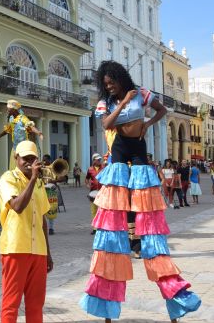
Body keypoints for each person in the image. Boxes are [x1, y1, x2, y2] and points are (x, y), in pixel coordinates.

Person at [81, 60, 200, 323]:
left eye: (111, 81)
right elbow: (107, 125)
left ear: (120, 77)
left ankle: (142, 243)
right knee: (114, 212)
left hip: (139, 148)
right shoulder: (107, 102)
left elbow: (162, 109)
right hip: (121, 150)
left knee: (147, 209)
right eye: (105, 83)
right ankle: (108, 302)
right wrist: (123, 103)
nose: (108, 86)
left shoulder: (143, 92)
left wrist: (149, 123)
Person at [0, 140, 53, 323]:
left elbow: (43, 219)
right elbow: (17, 206)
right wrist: (33, 179)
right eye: (25, 158)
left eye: (32, 158)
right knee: (11, 302)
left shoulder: (39, 183)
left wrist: (48, 254)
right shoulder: (8, 178)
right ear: (16, 158)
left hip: (38, 250)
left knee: (36, 303)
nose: (29, 162)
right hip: (15, 248)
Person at [0, 99, 44, 169]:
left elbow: (31, 127)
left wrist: (38, 133)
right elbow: (8, 130)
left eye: (9, 109)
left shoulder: (23, 118)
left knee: (23, 167)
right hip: (15, 148)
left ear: (14, 110)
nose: (7, 110)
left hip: (24, 148)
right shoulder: (11, 119)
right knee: (13, 167)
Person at [86, 153, 104, 234]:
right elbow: (87, 179)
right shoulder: (90, 169)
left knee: (101, 210)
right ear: (93, 160)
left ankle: (101, 227)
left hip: (102, 192)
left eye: (100, 159)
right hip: (93, 192)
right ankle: (95, 228)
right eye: (98, 159)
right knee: (94, 210)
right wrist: (87, 184)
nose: (99, 161)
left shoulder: (104, 168)